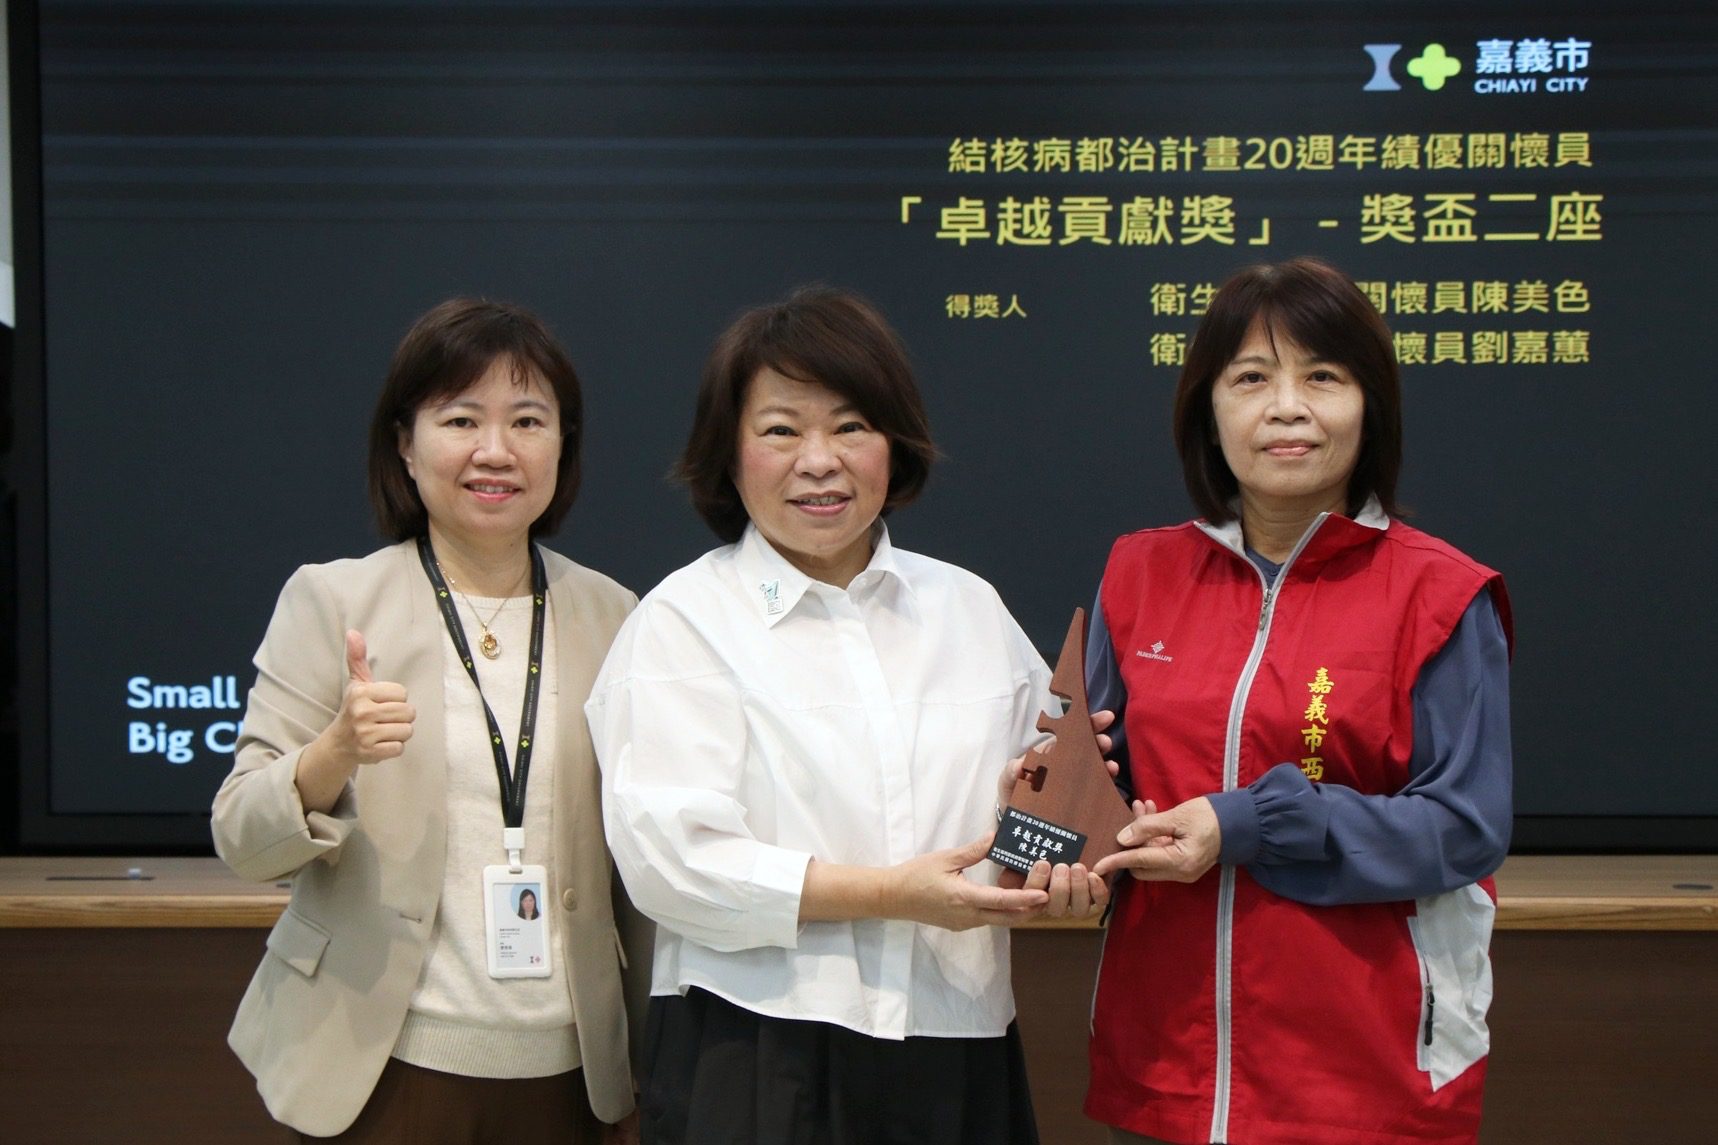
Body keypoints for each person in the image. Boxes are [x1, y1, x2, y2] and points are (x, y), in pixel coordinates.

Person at [585, 286, 1107, 1145]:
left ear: (895, 445)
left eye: (851, 426)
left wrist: (1042, 837)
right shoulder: (683, 620)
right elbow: (674, 864)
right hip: (754, 1045)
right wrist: (890, 894)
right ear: (729, 453)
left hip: (957, 1039)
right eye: (781, 430)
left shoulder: (969, 609)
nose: (819, 461)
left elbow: (1041, 808)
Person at [1083, 258, 1513, 1145]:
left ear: (1370, 406)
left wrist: (1247, 823)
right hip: (1162, 1067)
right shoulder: (1138, 571)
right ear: (1208, 411)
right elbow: (1102, 784)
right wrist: (1055, 812)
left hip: (1361, 1074)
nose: (1286, 407)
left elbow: (1464, 827)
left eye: (1322, 376)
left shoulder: (1442, 592)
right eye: (1251, 378)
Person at [212, 299, 647, 1144]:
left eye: (528, 420)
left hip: (570, 1072)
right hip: (378, 1063)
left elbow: (636, 864)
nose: (496, 449)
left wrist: (641, 1065)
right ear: (406, 446)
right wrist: (334, 751)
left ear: (563, 445)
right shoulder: (333, 600)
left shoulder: (615, 615)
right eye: (460, 419)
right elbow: (242, 837)